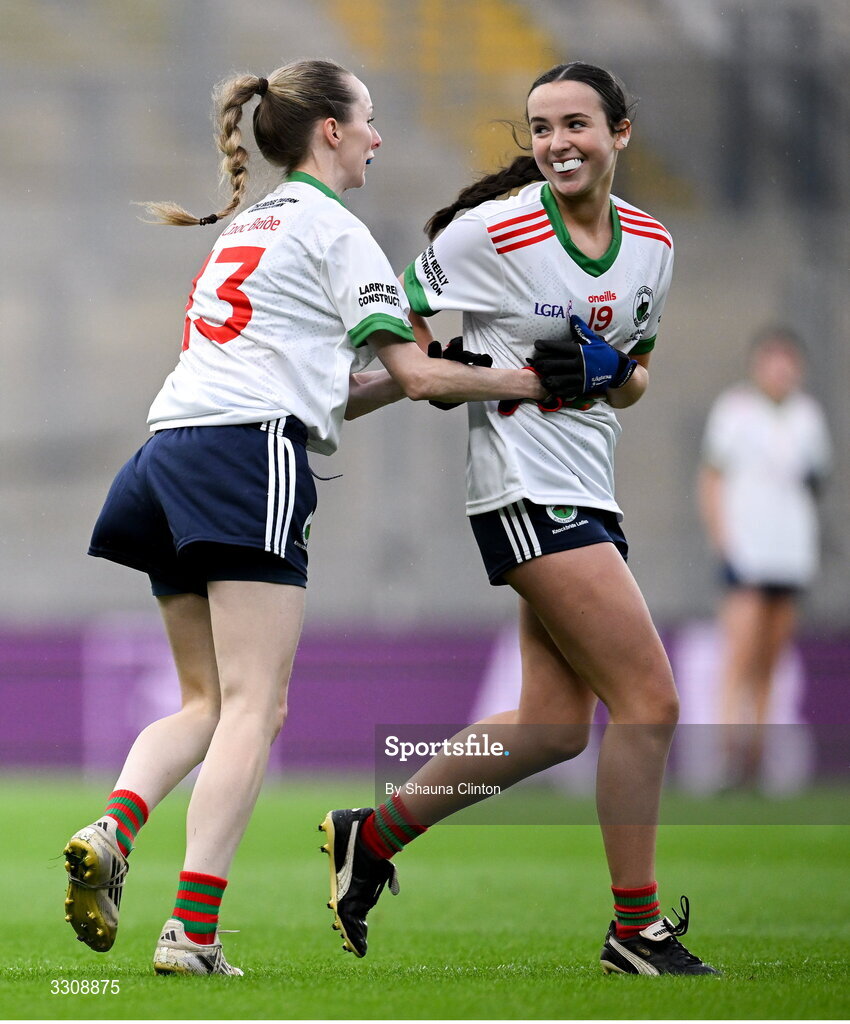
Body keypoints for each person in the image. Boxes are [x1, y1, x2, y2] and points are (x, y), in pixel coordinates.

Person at [62, 58, 555, 977]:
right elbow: (413, 371)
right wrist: (519, 379)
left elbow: (343, 388)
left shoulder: (251, 223)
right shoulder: (339, 229)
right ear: (329, 129)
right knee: (259, 704)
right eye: (367, 119)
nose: (377, 136)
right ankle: (191, 934)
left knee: (206, 700)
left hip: (166, 454)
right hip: (249, 457)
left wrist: (424, 379)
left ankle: (112, 829)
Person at [320, 61, 719, 976]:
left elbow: (638, 376)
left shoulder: (653, 242)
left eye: (575, 124)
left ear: (621, 132)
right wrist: (454, 372)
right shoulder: (488, 231)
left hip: (591, 487)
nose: (555, 144)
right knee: (651, 702)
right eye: (539, 129)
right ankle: (636, 930)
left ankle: (370, 838)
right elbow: (397, 330)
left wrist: (608, 372)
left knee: (552, 725)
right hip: (523, 489)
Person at [697, 326, 831, 787]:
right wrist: (724, 542)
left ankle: (755, 758)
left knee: (771, 663)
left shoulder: (808, 418)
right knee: (739, 657)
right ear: (759, 365)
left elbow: (814, 480)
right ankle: (724, 757)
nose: (782, 370)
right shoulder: (735, 412)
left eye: (789, 362)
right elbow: (711, 480)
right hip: (747, 555)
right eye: (774, 360)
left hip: (789, 557)